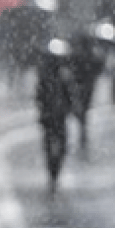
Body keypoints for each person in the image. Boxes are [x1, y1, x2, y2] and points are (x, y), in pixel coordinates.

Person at [35, 45, 73, 193]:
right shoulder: (46, 76)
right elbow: (39, 97)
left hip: (56, 117)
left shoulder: (61, 76)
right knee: (54, 145)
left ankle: (54, 172)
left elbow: (69, 95)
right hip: (52, 118)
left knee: (58, 146)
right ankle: (53, 172)